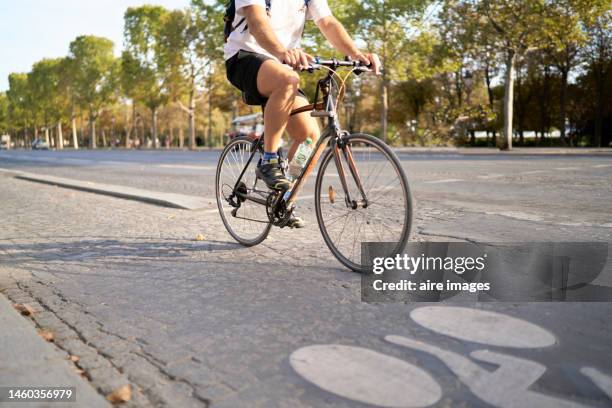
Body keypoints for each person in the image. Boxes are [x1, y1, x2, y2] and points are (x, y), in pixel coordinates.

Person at [225, 0, 380, 226]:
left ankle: (284, 198)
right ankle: (268, 161)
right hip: (244, 57)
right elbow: (257, 22)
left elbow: (327, 22)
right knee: (288, 79)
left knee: (310, 138)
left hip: (281, 66)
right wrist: (282, 52)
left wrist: (357, 54)